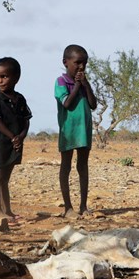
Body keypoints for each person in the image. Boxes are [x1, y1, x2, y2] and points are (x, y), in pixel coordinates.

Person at [0, 56, 32, 223]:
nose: (0, 80)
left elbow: (26, 120)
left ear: (16, 78)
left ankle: (8, 211)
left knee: (6, 179)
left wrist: (21, 136)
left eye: (4, 76)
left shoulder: (19, 99)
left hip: (16, 144)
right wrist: (12, 136)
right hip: (1, 144)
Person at [55, 44, 98, 218]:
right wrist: (78, 85)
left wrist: (86, 85)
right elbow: (67, 103)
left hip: (84, 130)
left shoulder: (84, 83)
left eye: (85, 63)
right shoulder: (61, 81)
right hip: (69, 130)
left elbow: (93, 104)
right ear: (66, 62)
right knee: (66, 166)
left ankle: (83, 206)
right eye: (77, 63)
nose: (81, 67)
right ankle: (68, 208)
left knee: (83, 166)